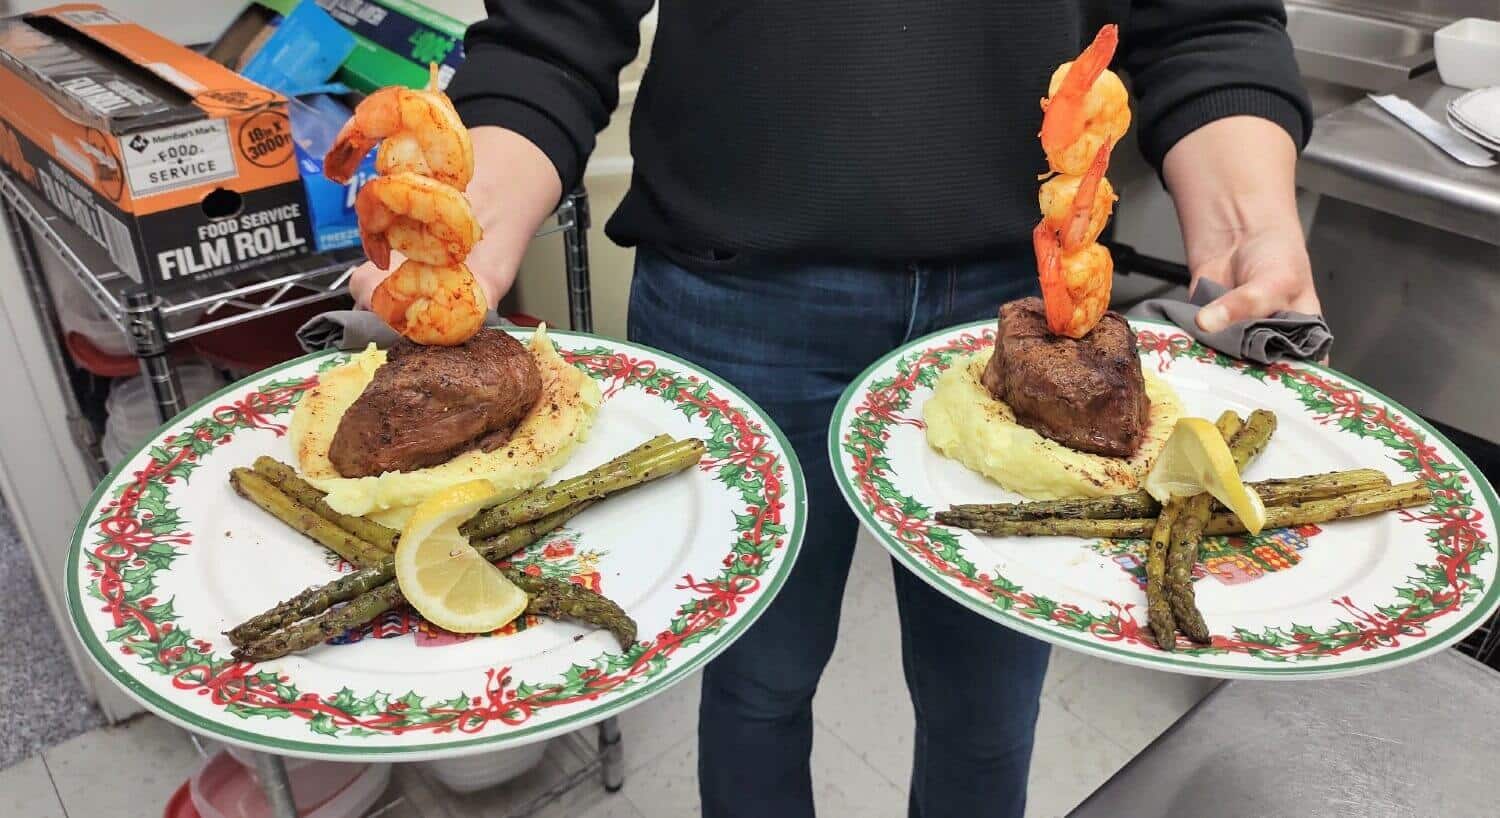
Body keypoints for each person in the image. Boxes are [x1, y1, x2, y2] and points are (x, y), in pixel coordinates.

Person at [348, 3, 1318, 816]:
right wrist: (461, 241)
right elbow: (555, 23)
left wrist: (1250, 229)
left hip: (1022, 314)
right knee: (757, 684)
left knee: (985, 712)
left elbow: (1205, 16)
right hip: (732, 296)